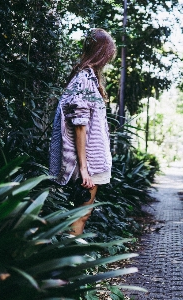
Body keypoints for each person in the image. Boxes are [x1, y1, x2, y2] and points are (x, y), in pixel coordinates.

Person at [49, 28, 117, 236]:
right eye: (108, 54)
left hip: (92, 161)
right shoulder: (85, 79)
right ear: (101, 53)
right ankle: (69, 263)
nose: (108, 59)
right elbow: (79, 125)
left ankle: (71, 261)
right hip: (90, 164)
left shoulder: (88, 78)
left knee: (81, 212)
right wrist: (84, 169)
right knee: (81, 213)